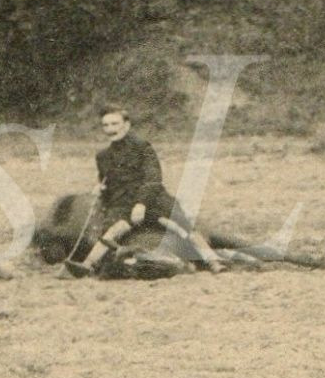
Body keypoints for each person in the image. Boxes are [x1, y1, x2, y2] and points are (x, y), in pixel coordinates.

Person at [64, 106, 225, 277]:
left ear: (126, 125)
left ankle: (213, 261)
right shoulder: (102, 156)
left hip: (154, 200)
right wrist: (100, 188)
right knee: (111, 232)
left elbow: (153, 179)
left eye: (115, 124)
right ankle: (87, 265)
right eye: (106, 125)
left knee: (181, 227)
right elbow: (107, 182)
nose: (110, 129)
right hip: (124, 204)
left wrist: (141, 203)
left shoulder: (142, 147)